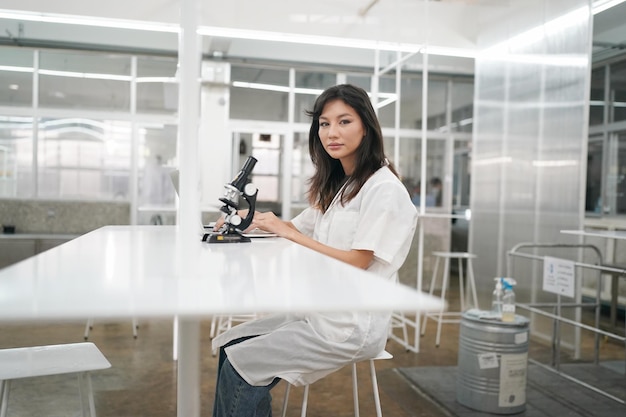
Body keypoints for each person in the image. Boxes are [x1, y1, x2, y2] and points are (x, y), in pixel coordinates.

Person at [211, 84, 418, 417]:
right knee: (230, 345)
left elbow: (357, 262)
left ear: (366, 127)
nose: (331, 133)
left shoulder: (384, 189)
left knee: (241, 363)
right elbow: (293, 226)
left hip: (349, 327)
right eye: (324, 124)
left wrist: (286, 233)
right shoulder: (344, 185)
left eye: (344, 121)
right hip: (320, 312)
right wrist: (245, 221)